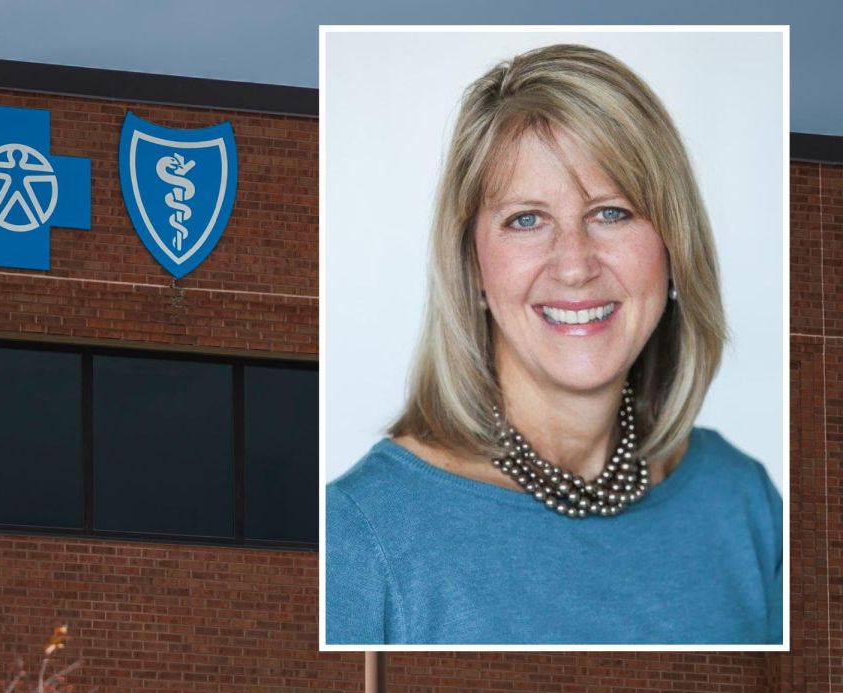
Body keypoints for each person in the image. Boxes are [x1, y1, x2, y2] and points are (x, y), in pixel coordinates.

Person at [325, 44, 782, 645]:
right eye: (526, 219)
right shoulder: (359, 538)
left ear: (674, 246)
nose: (574, 265)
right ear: (472, 265)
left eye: (612, 213)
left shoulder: (743, 501)